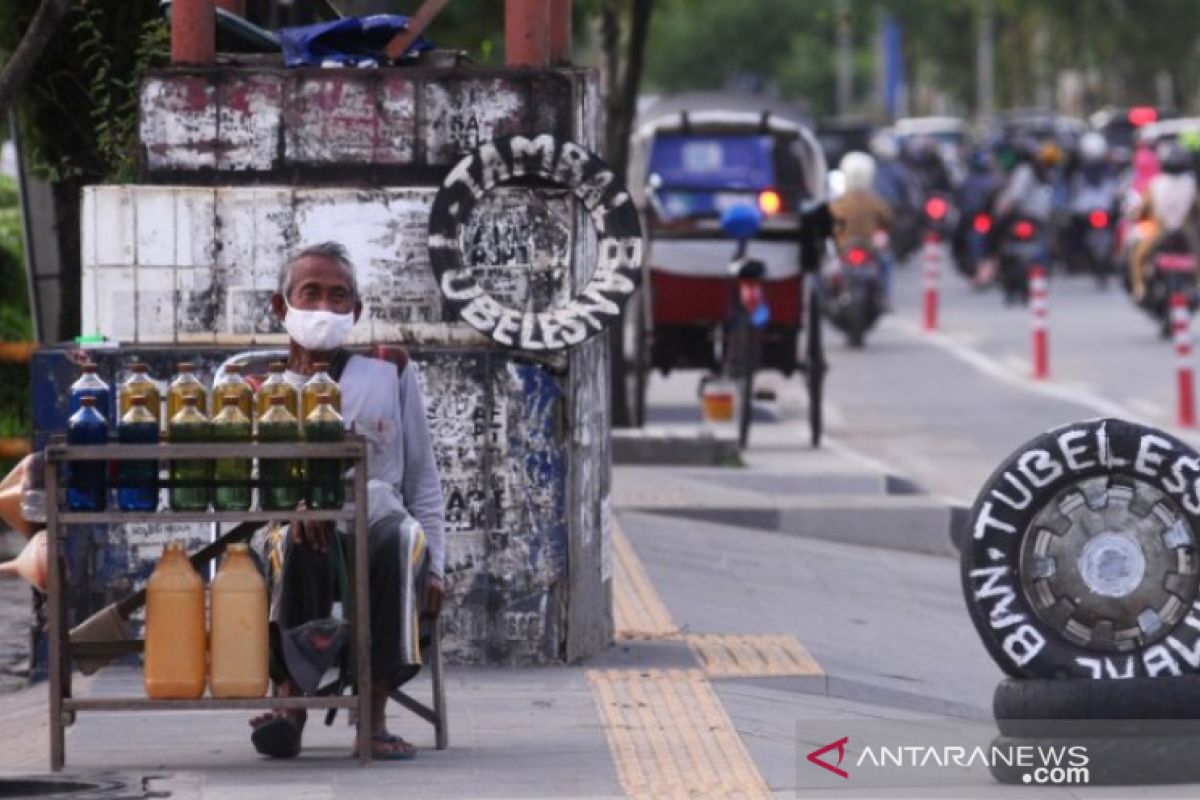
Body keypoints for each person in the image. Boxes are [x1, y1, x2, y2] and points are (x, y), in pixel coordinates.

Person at [248, 241, 446, 761]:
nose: (325, 309)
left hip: (377, 528)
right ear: (281, 306)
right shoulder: (252, 388)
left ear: (355, 312)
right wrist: (293, 513)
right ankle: (291, 707)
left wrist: (439, 566)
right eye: (310, 294)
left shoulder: (390, 372)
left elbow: (422, 479)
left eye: (339, 298)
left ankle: (373, 717)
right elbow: (239, 491)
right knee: (294, 539)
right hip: (289, 534)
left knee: (402, 538)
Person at [1131, 143, 1200, 301]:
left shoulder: (1155, 184)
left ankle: (1139, 288)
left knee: (1138, 256)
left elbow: (1142, 210)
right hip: (1185, 233)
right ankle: (1197, 286)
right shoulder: (1190, 183)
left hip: (1160, 232)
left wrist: (1135, 217)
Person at [832, 151, 894, 303]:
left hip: (845, 246)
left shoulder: (839, 202)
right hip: (866, 246)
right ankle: (884, 296)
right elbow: (888, 219)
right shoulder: (874, 201)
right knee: (886, 261)